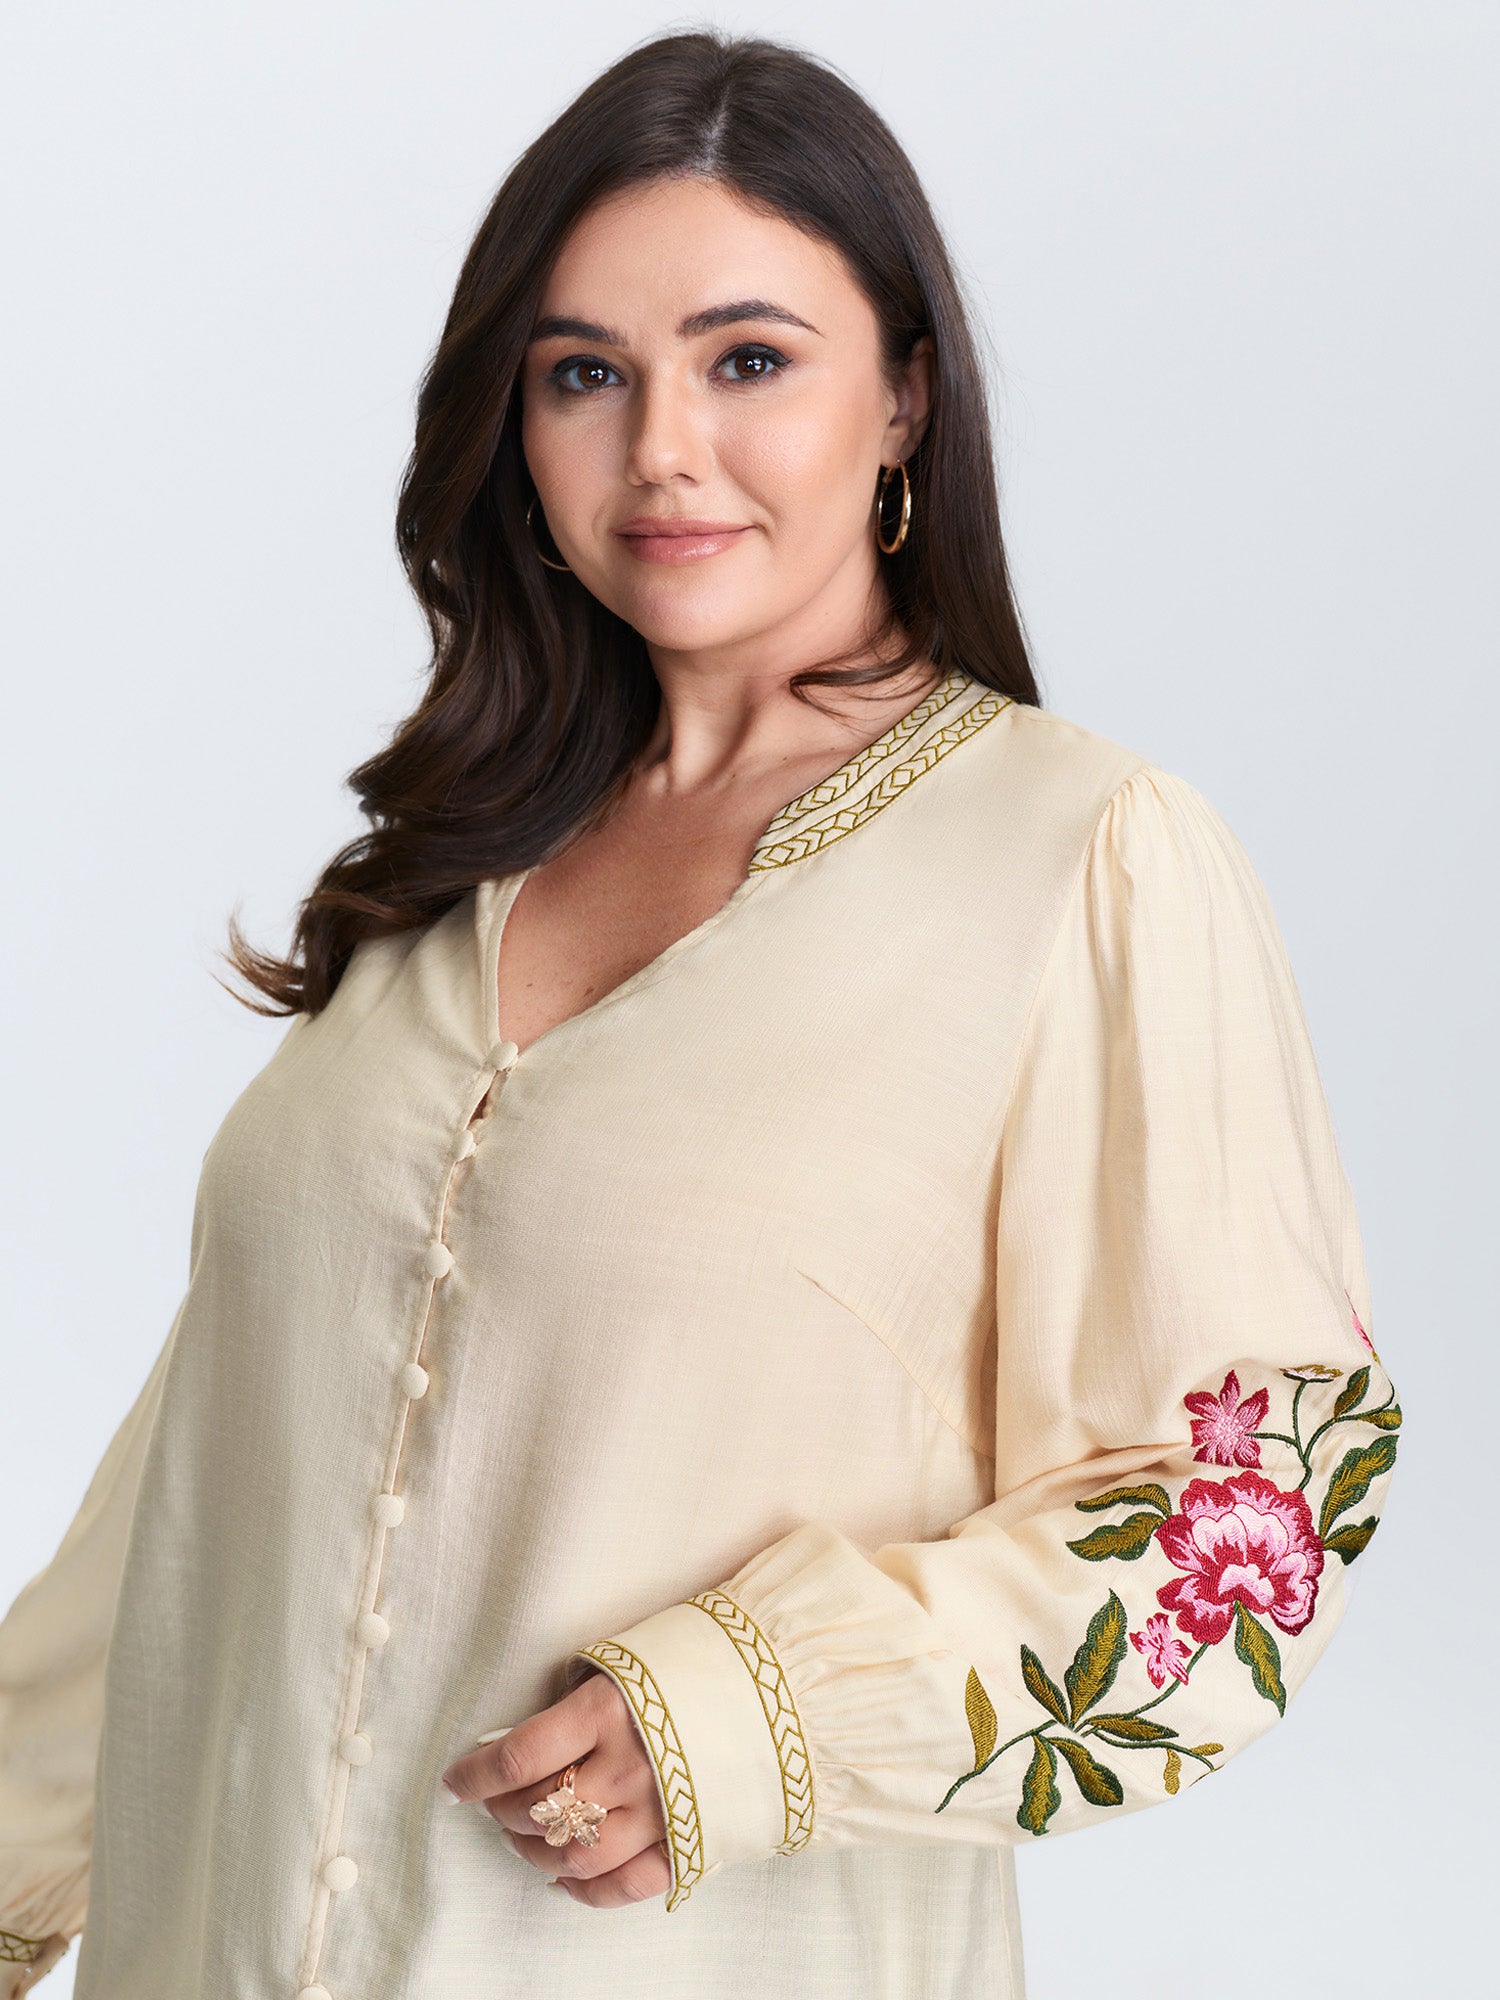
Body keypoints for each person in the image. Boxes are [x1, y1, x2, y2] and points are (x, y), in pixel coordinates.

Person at [0, 28, 1401, 2000]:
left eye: (748, 360)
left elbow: (1252, 1520)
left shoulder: (1082, 863)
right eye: (585, 373)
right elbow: (204, 1489)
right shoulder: (447, 876)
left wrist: (764, 1707)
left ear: (904, 395)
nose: (662, 449)